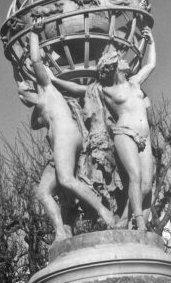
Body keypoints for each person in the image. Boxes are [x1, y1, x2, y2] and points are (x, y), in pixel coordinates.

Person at [17, 18, 115, 240]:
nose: (20, 91)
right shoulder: (40, 108)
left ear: (30, 87)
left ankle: (104, 211)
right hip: (60, 143)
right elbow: (34, 123)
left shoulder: (46, 87)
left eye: (22, 89)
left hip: (66, 137)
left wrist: (34, 33)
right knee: (42, 192)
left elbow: (35, 61)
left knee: (67, 180)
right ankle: (61, 232)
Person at [51, 27, 156, 230]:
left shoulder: (135, 82)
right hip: (125, 134)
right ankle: (140, 223)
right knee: (135, 177)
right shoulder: (105, 90)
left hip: (145, 137)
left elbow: (151, 64)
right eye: (120, 58)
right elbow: (79, 89)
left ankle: (125, 219)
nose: (126, 60)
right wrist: (54, 80)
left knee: (146, 185)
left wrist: (151, 42)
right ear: (114, 66)